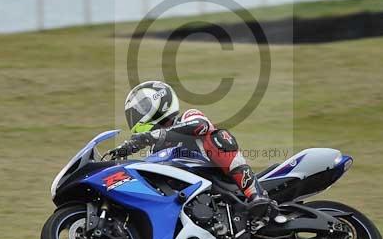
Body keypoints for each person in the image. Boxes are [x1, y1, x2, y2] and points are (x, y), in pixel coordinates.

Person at [108, 80, 270, 212]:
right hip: (189, 196)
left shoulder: (187, 117)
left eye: (142, 107)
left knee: (218, 137)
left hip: (218, 177)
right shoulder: (155, 151)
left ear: (161, 101)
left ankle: (256, 194)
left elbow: (202, 125)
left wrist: (150, 136)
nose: (137, 114)